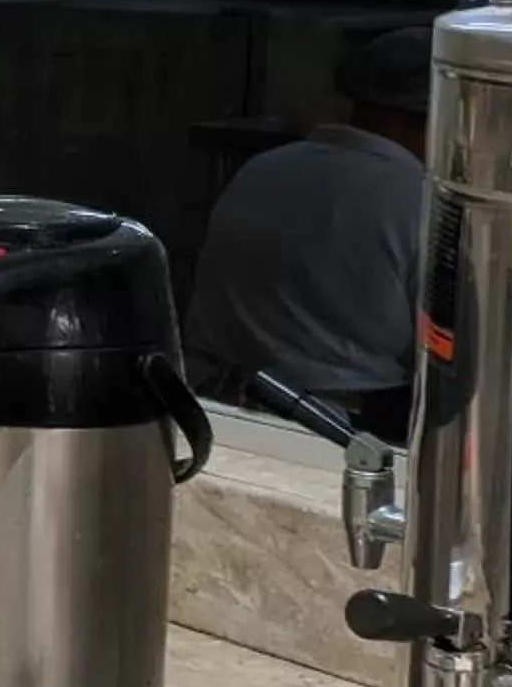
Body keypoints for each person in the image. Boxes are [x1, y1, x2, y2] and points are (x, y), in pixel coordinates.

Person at [186, 26, 433, 444]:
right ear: (429, 115)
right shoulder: (420, 200)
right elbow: (444, 349)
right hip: (344, 429)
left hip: (219, 410)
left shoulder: (263, 168)